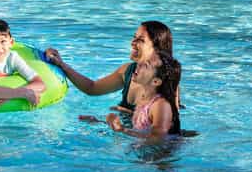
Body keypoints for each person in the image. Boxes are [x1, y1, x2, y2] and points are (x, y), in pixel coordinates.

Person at [46, 21, 181, 115]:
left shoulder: (164, 79)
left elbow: (168, 126)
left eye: (140, 40)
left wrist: (131, 114)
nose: (132, 43)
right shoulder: (127, 71)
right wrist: (62, 65)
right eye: (134, 37)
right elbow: (92, 88)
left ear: (156, 49)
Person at [106, 51, 181, 139]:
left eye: (145, 65)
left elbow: (158, 138)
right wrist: (126, 112)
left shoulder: (160, 105)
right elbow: (144, 123)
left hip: (159, 152)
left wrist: (122, 129)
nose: (139, 64)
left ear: (155, 81)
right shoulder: (145, 98)